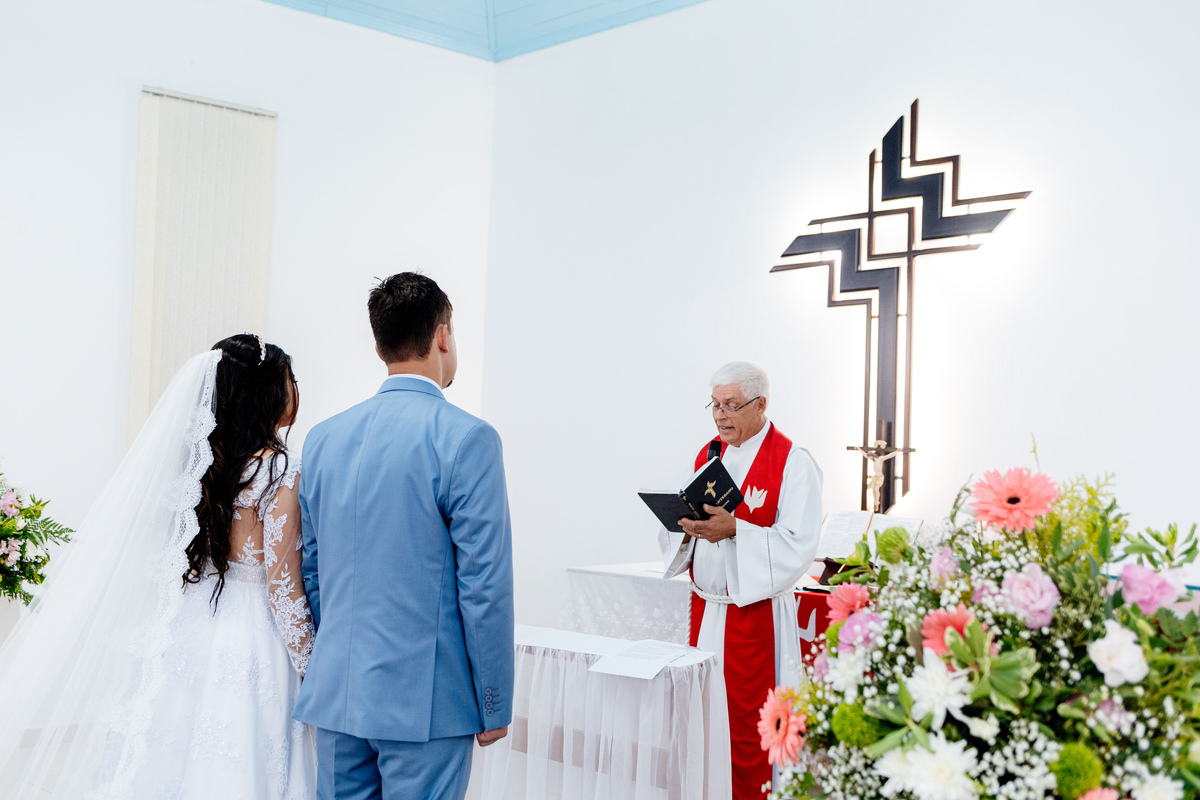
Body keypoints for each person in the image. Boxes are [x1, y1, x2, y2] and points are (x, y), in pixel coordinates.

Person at [0, 334, 317, 799]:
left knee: (176, 752)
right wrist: (313, 665)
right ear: (268, 392)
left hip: (193, 623)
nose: (295, 389)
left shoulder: (203, 464)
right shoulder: (281, 471)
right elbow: (282, 587)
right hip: (253, 635)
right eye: (290, 379)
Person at [294, 272, 514, 800]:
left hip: (339, 694)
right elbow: (483, 584)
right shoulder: (468, 439)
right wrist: (492, 701)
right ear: (443, 335)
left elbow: (314, 569)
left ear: (378, 346)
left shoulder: (323, 439)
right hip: (426, 702)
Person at [658, 361, 822, 800]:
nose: (720, 415)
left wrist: (735, 530)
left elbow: (798, 544)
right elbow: (689, 517)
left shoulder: (792, 462)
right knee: (706, 723)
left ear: (760, 404)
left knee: (752, 728)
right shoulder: (710, 453)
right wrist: (683, 525)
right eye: (714, 404)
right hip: (708, 609)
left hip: (757, 618)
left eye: (730, 405)